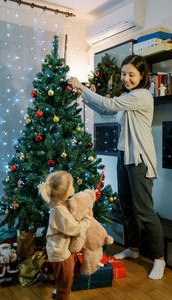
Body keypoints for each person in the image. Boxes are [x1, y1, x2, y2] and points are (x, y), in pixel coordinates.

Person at [68, 54, 165, 280]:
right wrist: (83, 94)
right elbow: (106, 110)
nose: (126, 78)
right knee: (128, 206)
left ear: (142, 76)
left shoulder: (141, 96)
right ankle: (133, 248)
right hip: (124, 156)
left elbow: (109, 103)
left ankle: (159, 259)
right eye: (124, 74)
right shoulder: (127, 96)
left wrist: (82, 86)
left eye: (132, 74)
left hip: (139, 159)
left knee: (145, 210)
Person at [39, 170, 93, 300]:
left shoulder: (59, 206)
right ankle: (61, 294)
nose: (74, 188)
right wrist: (87, 220)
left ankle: (59, 287)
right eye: (72, 186)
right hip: (61, 254)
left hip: (61, 250)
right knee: (66, 283)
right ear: (65, 192)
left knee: (69, 274)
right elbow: (74, 229)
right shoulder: (60, 211)